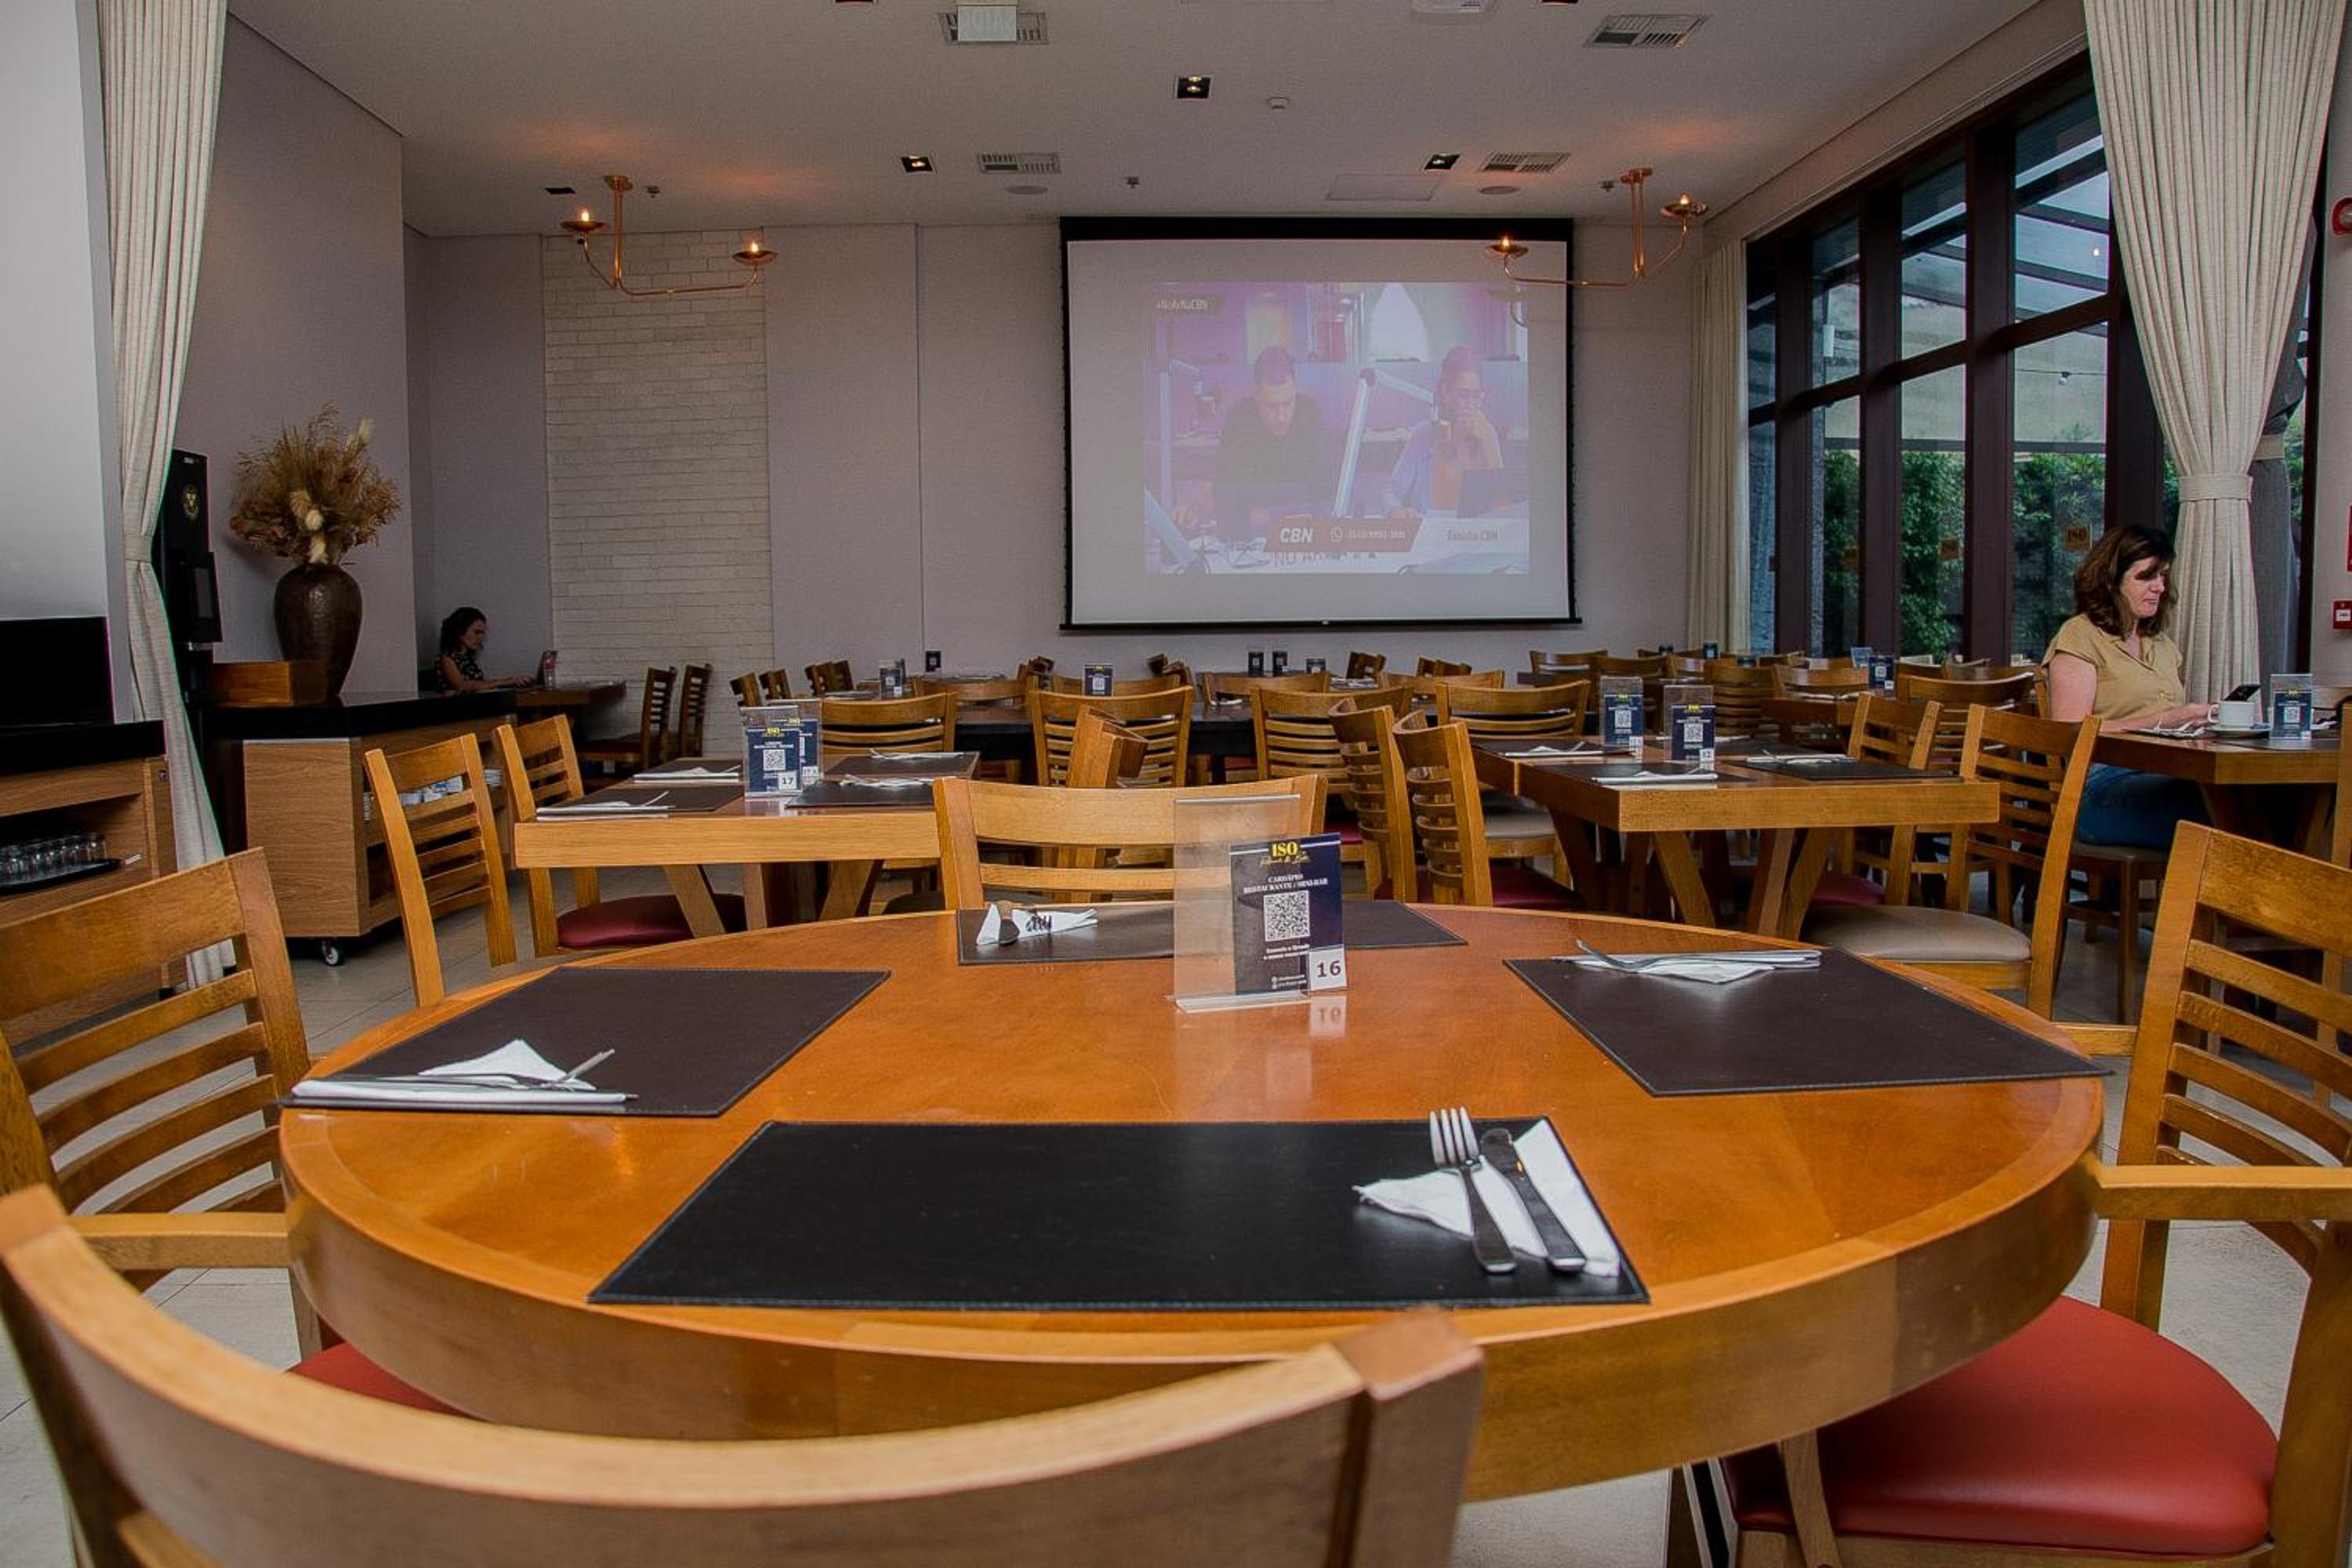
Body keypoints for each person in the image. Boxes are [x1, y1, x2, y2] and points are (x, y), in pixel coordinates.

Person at [2042, 524, 2213, 848]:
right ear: (2111, 580)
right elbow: (2068, 732)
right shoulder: (2080, 636)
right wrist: (2167, 720)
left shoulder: (2161, 643)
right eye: (2146, 577)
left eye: (2162, 576)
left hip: (2167, 773)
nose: (2159, 586)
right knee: (2220, 811)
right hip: (2101, 787)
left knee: (2250, 799)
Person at [1176, 345, 1332, 536]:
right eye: (1272, 407)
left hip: (1303, 532)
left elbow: (1325, 489)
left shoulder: (1310, 413)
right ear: (1257, 397)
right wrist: (1194, 511)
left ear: (1295, 389)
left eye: (1287, 403)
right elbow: (1219, 484)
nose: (1281, 417)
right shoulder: (1240, 417)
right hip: (1250, 535)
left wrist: (1269, 515)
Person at [1383, 346, 1503, 516]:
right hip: (1431, 531)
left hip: (1475, 532)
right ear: (1446, 394)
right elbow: (1392, 492)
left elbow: (1502, 508)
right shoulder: (1425, 433)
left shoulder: (1487, 434)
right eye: (1463, 395)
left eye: (1476, 395)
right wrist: (1396, 510)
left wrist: (1488, 444)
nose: (1471, 405)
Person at [434, 607, 532, 693]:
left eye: (482, 633)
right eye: (477, 632)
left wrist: (510, 682)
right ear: (460, 631)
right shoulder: (447, 658)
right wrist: (506, 681)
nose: (481, 638)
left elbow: (478, 684)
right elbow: (462, 685)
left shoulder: (466, 658)